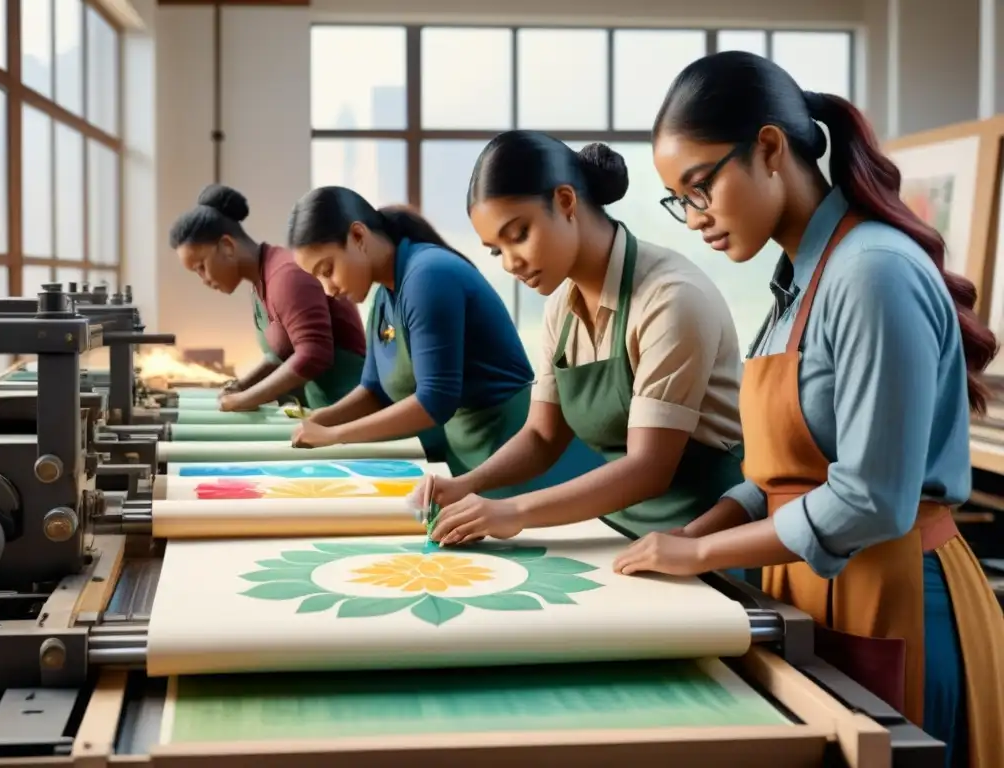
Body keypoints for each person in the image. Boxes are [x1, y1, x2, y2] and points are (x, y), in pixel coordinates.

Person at [623, 50, 1004, 766]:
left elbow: (870, 499)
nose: (694, 218)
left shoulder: (871, 273)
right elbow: (782, 472)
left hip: (893, 597)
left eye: (699, 187)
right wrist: (701, 530)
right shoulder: (795, 283)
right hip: (816, 589)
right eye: (680, 199)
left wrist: (703, 553)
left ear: (769, 149)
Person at [422, 130, 746, 546]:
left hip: (705, 539)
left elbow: (649, 467)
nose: (510, 263)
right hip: (623, 534)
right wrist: (466, 484)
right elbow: (542, 436)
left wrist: (513, 511)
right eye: (495, 250)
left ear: (565, 201)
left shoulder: (671, 298)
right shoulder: (563, 307)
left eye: (518, 234)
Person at [286, 187, 600, 492]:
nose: (328, 289)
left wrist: (336, 434)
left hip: (520, 454)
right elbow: (374, 389)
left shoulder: (427, 276)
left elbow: (434, 401)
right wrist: (319, 421)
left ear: (358, 237)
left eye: (328, 270)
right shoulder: (386, 295)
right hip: (473, 456)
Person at [169, 184, 367, 412]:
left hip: (353, 410)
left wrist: (244, 400)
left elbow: (314, 354)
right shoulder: (260, 283)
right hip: (326, 412)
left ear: (226, 246)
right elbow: (278, 356)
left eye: (201, 267)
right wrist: (239, 387)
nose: (203, 279)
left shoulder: (286, 275)